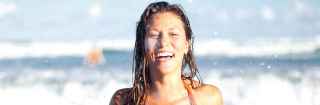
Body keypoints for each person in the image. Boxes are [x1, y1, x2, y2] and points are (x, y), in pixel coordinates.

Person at [110, 1, 223, 105]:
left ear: (186, 45)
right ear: (142, 45)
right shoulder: (123, 101)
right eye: (154, 35)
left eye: (173, 34)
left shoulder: (208, 99)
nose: (163, 43)